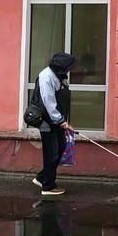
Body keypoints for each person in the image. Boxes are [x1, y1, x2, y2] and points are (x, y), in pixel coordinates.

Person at [32, 52, 76, 196]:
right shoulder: (46, 77)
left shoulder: (59, 76)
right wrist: (61, 121)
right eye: (68, 68)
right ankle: (48, 186)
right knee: (52, 153)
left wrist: (63, 120)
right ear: (61, 67)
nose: (69, 71)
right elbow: (48, 101)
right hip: (47, 120)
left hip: (56, 120)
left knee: (61, 147)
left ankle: (42, 177)